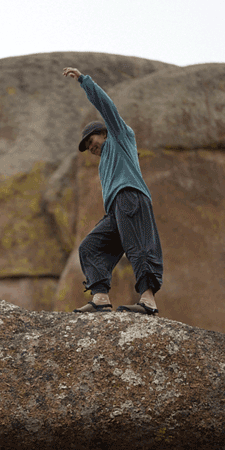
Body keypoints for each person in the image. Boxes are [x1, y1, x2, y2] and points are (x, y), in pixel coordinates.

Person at [62, 67, 163, 314]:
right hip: (115, 210)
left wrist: (84, 81)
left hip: (131, 197)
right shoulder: (105, 161)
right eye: (87, 147)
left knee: (138, 247)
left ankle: (148, 301)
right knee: (90, 247)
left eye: (91, 141)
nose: (91, 147)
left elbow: (106, 106)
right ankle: (100, 298)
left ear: (103, 132)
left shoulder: (119, 137)